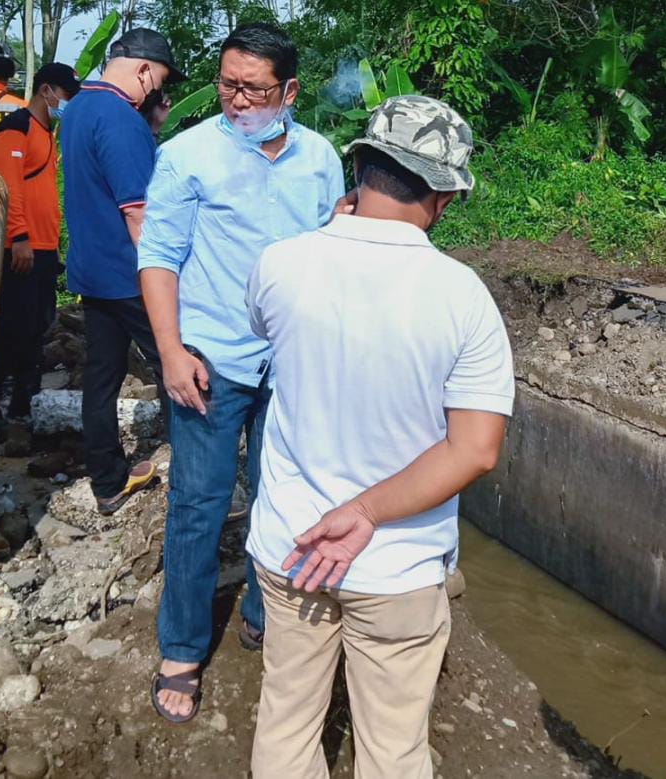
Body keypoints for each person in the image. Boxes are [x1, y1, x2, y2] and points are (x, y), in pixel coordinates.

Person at [246, 95, 515, 778]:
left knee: (285, 718)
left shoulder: (280, 263)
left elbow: (268, 334)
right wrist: (365, 512)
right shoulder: (463, 297)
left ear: (358, 169)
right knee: (394, 748)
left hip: (291, 544)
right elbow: (475, 449)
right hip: (397, 563)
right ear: (445, 196)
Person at [138, 22, 345, 723]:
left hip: (290, 366)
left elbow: (329, 256)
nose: (235, 100)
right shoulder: (187, 155)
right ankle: (182, 647)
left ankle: (263, 611)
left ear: (289, 90)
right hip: (209, 361)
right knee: (198, 504)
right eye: (228, 84)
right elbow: (160, 256)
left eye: (253, 89)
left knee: (281, 495)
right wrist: (170, 350)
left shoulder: (320, 158)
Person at [59, 28, 185, 515]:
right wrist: (165, 274)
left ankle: (108, 481)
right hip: (130, 274)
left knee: (103, 375)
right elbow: (138, 210)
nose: (156, 89)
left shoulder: (77, 109)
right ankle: (192, 476)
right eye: (159, 78)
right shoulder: (120, 117)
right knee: (176, 362)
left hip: (92, 270)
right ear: (142, 69)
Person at [0, 63, 81, 433]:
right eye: (66, 94)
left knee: (36, 327)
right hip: (21, 248)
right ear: (47, 90)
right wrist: (18, 236)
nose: (67, 102)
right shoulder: (16, 128)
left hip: (42, 248)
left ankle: (24, 404)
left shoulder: (44, 132)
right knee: (11, 329)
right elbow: (9, 188)